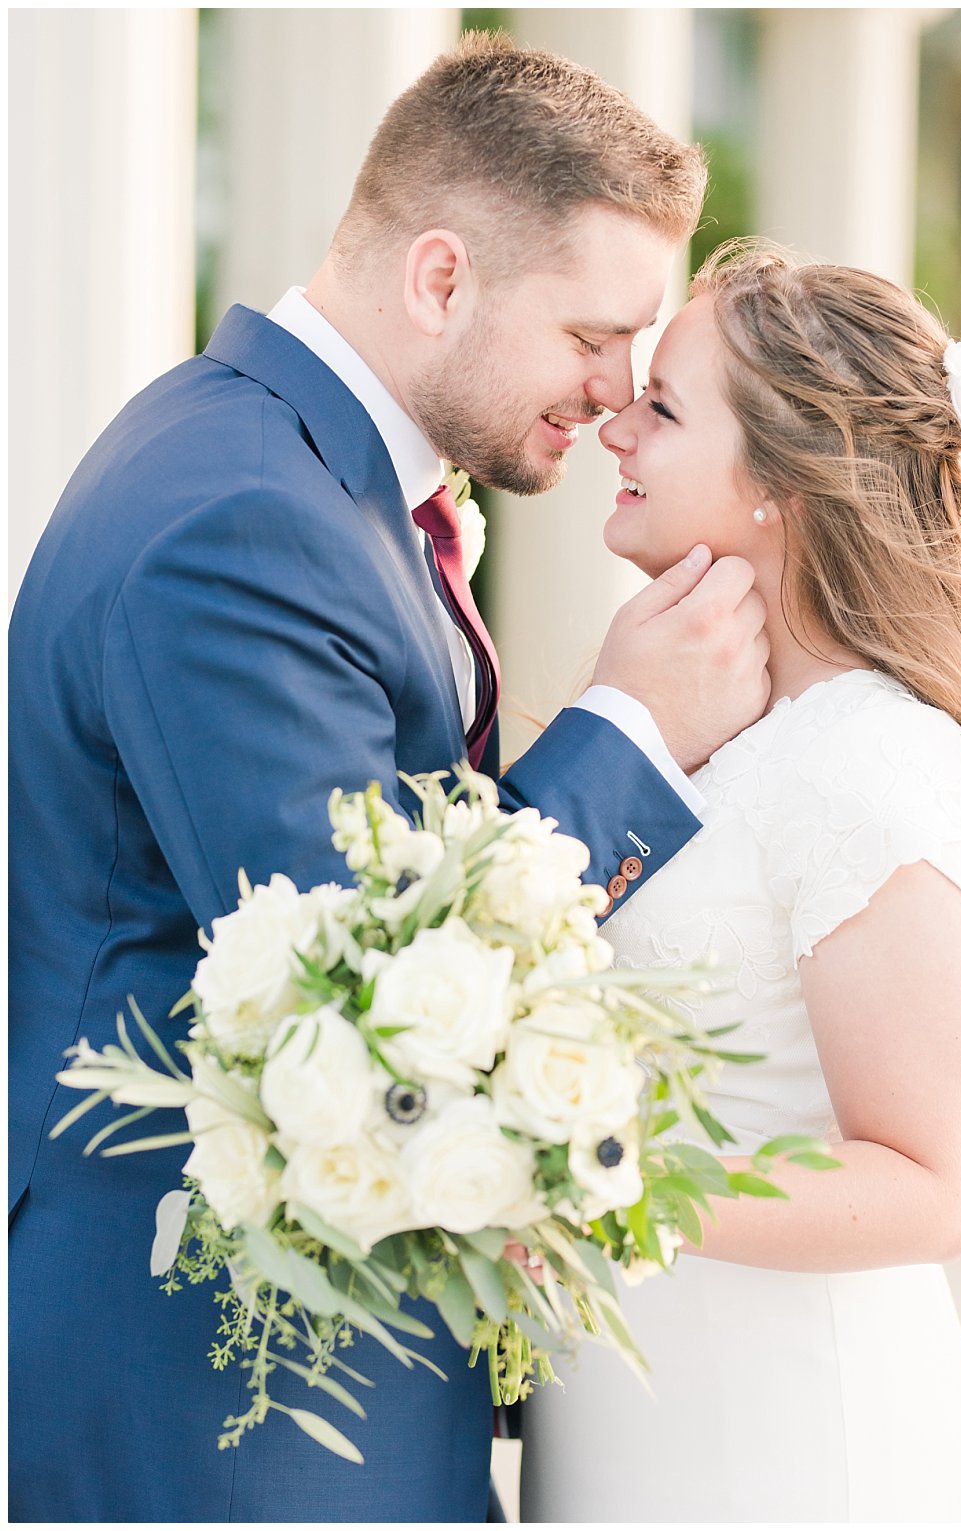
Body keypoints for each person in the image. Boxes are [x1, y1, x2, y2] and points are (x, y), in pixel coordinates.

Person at [8, 36, 772, 1521]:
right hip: (225, 1401)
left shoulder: (295, 471)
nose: (621, 397)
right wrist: (629, 727)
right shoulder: (240, 520)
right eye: (594, 335)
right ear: (441, 279)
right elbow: (371, 991)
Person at [518, 240, 961, 1522]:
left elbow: (931, 1186)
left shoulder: (880, 757)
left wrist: (595, 1169)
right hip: (636, 1412)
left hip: (783, 1445)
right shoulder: (705, 725)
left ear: (779, 488)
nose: (613, 423)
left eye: (665, 408)